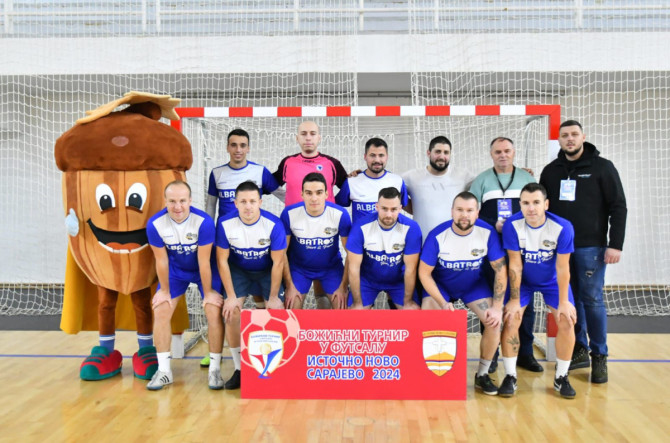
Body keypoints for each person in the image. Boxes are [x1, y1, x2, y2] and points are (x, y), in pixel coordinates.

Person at [540, 120, 627, 384]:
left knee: (592, 299)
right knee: (570, 299)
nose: (570, 139)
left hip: (591, 247)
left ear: (583, 137)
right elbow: (542, 205)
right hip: (560, 249)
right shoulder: (551, 171)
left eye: (574, 134)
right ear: (559, 140)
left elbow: (618, 206)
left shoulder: (602, 167)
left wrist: (615, 244)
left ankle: (599, 355)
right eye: (565, 135)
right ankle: (579, 348)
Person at [202, 128, 279, 367]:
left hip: (254, 240)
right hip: (227, 244)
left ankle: (264, 354)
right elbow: (210, 207)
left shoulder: (259, 172)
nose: (238, 150)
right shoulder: (217, 173)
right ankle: (218, 350)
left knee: (261, 294)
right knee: (224, 301)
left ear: (248, 148)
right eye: (233, 145)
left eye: (242, 145)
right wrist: (207, 238)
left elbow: (282, 193)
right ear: (227, 147)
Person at [419, 192, 507, 395]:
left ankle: (482, 374)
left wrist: (497, 307)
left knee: (494, 322)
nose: (464, 215)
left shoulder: (487, 232)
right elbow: (424, 274)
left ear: (477, 213)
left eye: (469, 210)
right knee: (428, 319)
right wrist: (442, 302)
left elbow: (501, 270)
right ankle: (430, 373)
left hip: (473, 286)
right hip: (441, 286)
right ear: (452, 211)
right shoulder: (437, 235)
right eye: (459, 210)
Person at [469, 137, 541, 373]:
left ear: (514, 152)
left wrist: (514, 225)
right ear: (491, 154)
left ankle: (525, 353)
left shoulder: (526, 179)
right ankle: (491, 355)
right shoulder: (481, 180)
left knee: (523, 301)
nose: (503, 155)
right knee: (491, 301)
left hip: (522, 248)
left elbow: (536, 210)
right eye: (498, 151)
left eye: (507, 151)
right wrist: (494, 225)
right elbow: (473, 214)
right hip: (492, 248)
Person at [145, 180, 224, 391]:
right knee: (161, 309)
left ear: (190, 200)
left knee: (213, 310)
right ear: (165, 201)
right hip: (176, 271)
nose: (177, 206)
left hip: (204, 269)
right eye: (172, 201)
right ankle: (164, 372)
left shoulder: (204, 222)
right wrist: (164, 291)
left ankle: (215, 369)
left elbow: (204, 262)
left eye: (182, 201)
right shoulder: (155, 224)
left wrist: (208, 293)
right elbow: (161, 260)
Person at [500, 183, 577, 399]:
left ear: (546, 204)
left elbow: (563, 267)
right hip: (523, 281)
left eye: (536, 202)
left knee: (566, 320)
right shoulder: (512, 225)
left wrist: (564, 302)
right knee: (511, 319)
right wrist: (514, 299)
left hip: (551, 282)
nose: (531, 208)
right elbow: (515, 265)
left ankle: (561, 377)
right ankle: (510, 375)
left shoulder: (562, 227)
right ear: (520, 205)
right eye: (526, 203)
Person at [216, 181, 287, 390]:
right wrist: (230, 297)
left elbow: (278, 263)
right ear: (235, 203)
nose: (248, 206)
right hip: (239, 271)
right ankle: (239, 369)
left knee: (276, 312)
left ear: (260, 203)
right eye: (243, 202)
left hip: (267, 271)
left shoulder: (273, 224)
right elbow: (222, 261)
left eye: (253, 201)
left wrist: (273, 297)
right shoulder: (225, 223)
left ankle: (275, 368)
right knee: (231, 313)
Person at [281, 173, 351, 309]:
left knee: (343, 308)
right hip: (299, 270)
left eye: (319, 193)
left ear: (326, 194)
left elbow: (351, 254)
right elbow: (281, 253)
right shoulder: (289, 214)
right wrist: (289, 285)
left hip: (331, 269)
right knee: (291, 307)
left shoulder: (340, 214)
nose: (314, 198)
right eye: (309, 193)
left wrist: (343, 286)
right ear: (302, 194)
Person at [347, 187, 422, 310]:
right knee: (355, 312)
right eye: (384, 209)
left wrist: (407, 301)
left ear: (400, 208)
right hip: (367, 281)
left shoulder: (411, 228)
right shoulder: (360, 227)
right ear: (377, 207)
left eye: (393, 209)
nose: (388, 214)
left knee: (412, 311)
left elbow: (410, 269)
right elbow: (353, 269)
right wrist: (357, 302)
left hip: (398, 281)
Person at [402, 136, 475, 237]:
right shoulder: (411, 177)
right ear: (428, 153)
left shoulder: (463, 176)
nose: (442, 156)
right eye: (438, 152)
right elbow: (395, 194)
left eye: (446, 152)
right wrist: (416, 207)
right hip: (423, 241)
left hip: (454, 240)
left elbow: (482, 188)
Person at [273, 120, 348, 207]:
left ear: (319, 138)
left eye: (313, 134)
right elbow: (269, 185)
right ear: (297, 138)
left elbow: (349, 188)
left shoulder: (332, 163)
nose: (308, 138)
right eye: (303, 134)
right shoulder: (287, 162)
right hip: (293, 215)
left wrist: (334, 204)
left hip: (325, 215)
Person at [335, 137, 408, 223]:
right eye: (372, 155)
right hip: (360, 232)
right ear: (365, 157)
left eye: (381, 155)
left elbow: (404, 206)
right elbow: (335, 208)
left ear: (387, 157)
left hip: (390, 232)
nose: (377, 160)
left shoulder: (397, 181)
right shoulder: (352, 182)